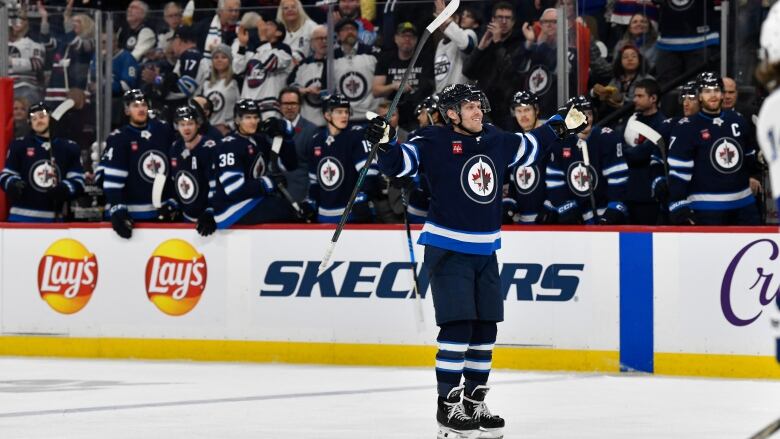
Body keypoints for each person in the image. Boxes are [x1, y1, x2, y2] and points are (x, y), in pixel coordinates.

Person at [367, 84, 587, 439]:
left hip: (486, 250)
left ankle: (473, 402)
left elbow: (533, 145)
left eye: (478, 105)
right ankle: (447, 405)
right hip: (448, 249)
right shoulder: (433, 140)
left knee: (486, 330)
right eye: (468, 107)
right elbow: (397, 163)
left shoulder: (496, 140)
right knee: (458, 328)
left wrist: (564, 122)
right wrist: (383, 142)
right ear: (451, 113)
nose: (477, 111)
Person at [667, 72, 760, 225]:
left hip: (744, 206)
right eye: (707, 91)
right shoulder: (686, 127)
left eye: (716, 90)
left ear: (722, 94)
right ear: (699, 96)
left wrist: (754, 174)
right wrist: (678, 204)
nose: (713, 95)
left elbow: (749, 158)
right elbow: (679, 174)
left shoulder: (738, 120)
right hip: (705, 208)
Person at [98, 89, 176, 239]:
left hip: (160, 213)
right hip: (132, 215)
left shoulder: (163, 131)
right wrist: (118, 209)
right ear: (127, 111)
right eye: (135, 105)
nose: (141, 109)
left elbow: (174, 168)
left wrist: (173, 201)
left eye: (144, 105)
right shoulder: (119, 138)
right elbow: (112, 179)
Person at [211, 99, 298, 228]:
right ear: (237, 120)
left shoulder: (258, 140)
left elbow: (289, 165)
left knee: (290, 209)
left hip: (251, 200)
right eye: (247, 117)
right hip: (231, 208)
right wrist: (269, 182)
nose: (253, 121)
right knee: (286, 211)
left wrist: (286, 136)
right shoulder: (229, 146)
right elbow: (234, 189)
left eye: (256, 117)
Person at [546, 96, 629, 224]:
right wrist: (566, 207)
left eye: (588, 114)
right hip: (576, 214)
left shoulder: (606, 138)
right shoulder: (560, 142)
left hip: (604, 212)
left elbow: (618, 178)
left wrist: (614, 208)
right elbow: (554, 180)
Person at [0, 102, 85, 222]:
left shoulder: (68, 148)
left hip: (55, 221)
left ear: (51, 117)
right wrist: (12, 183)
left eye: (42, 116)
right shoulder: (19, 145)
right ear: (30, 123)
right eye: (33, 118)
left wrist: (65, 188)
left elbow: (79, 181)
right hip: (20, 219)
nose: (38, 120)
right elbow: (5, 175)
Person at [302, 94, 379, 223]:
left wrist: (362, 196)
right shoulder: (316, 141)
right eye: (339, 112)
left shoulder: (357, 135)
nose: (344, 115)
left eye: (346, 112)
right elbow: (314, 181)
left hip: (352, 215)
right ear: (327, 115)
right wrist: (311, 202)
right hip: (324, 215)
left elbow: (369, 172)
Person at [463, 2, 524, 129]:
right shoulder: (487, 43)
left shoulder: (519, 44)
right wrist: (480, 48)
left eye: (507, 18)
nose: (503, 21)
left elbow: (508, 72)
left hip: (506, 110)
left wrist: (497, 43)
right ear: (492, 20)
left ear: (513, 22)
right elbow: (468, 71)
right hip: (484, 110)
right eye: (499, 17)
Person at [620, 78, 666, 224]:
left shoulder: (662, 124)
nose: (635, 100)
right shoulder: (632, 119)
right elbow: (619, 144)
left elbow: (640, 155)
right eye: (635, 96)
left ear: (653, 98)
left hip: (648, 194)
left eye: (640, 96)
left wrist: (626, 151)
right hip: (628, 190)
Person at [503, 91, 553, 224]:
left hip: (549, 221)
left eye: (527, 110)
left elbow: (559, 178)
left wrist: (550, 206)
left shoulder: (549, 138)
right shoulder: (515, 141)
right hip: (521, 222)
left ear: (536, 110)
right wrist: (508, 205)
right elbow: (512, 184)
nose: (523, 115)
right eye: (518, 111)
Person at [168, 105, 218, 235]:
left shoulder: (209, 148)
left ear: (197, 125)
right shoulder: (175, 148)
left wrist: (211, 210)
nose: (186, 128)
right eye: (182, 124)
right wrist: (173, 202)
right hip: (186, 218)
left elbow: (217, 185)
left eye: (190, 123)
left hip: (212, 219)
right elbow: (176, 182)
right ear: (177, 126)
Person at [234, 17, 293, 110]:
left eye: (270, 24)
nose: (264, 27)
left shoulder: (284, 50)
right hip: (249, 106)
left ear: (279, 33)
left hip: (269, 106)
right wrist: (242, 45)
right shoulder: (255, 50)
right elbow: (237, 70)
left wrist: (264, 40)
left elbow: (271, 64)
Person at [328, 18, 380, 122]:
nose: (350, 32)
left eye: (353, 29)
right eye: (345, 29)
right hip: (343, 117)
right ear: (338, 35)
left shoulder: (372, 52)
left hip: (370, 116)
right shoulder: (331, 56)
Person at [279, 87, 318, 202]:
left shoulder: (311, 130)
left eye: (293, 103)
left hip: (301, 195)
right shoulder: (272, 129)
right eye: (286, 104)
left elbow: (314, 169)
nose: (289, 107)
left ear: (300, 105)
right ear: (280, 106)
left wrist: (309, 198)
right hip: (277, 196)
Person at [432, 0, 479, 93]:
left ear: (456, 19)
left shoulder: (469, 34)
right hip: (443, 99)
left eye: (468, 16)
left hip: (461, 97)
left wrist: (445, 18)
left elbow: (466, 45)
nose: (441, 21)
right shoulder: (441, 43)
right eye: (438, 18)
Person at [288, 25, 326, 127]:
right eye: (319, 38)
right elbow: (290, 89)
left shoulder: (337, 62)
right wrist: (306, 90)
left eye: (326, 38)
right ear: (312, 43)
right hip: (308, 125)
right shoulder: (303, 65)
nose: (324, 41)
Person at [202, 44, 240, 136]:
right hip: (209, 132)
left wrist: (230, 126)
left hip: (229, 132)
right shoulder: (206, 83)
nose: (219, 60)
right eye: (216, 57)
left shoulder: (236, 81)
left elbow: (240, 109)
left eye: (223, 57)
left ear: (230, 60)